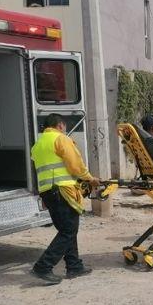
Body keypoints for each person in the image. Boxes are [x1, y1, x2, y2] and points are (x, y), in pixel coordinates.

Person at [30, 114, 99, 285]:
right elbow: (75, 165)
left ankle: (74, 266)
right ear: (60, 125)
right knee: (68, 231)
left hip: (47, 191)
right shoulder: (61, 139)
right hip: (62, 190)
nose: (65, 130)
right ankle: (43, 266)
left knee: (67, 230)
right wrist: (90, 178)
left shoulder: (38, 144)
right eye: (65, 127)